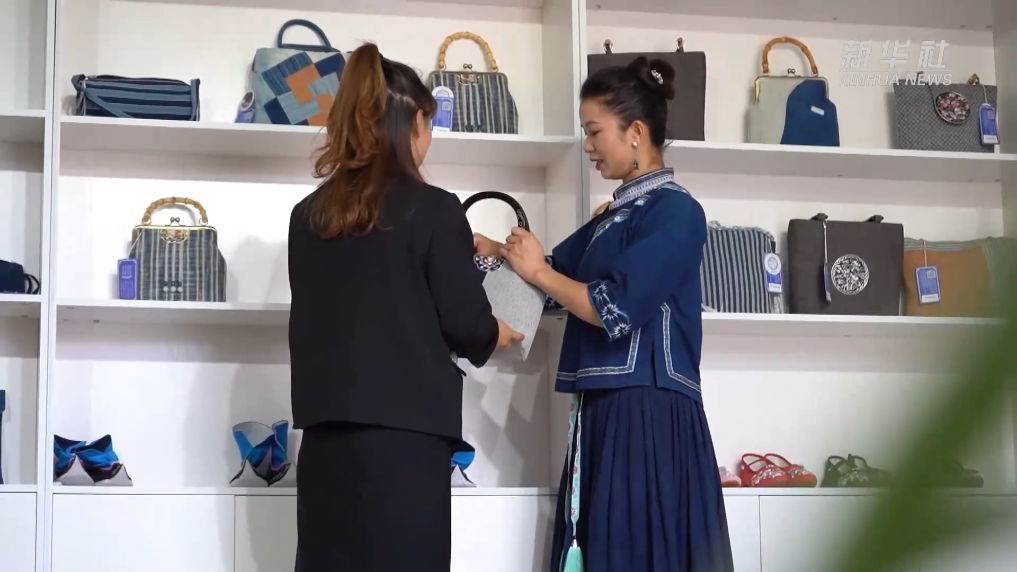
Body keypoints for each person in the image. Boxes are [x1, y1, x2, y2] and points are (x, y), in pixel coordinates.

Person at [475, 56, 735, 572]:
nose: (588, 146)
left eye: (594, 132)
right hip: (606, 406)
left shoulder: (676, 210)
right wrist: (493, 251)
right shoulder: (612, 219)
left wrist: (539, 271)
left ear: (635, 132)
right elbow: (551, 283)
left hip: (647, 409)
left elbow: (616, 308)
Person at [287, 43, 523, 572]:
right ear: (413, 122)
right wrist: (499, 333)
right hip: (405, 443)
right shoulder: (435, 208)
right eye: (429, 125)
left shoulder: (307, 216)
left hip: (323, 441)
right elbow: (466, 324)